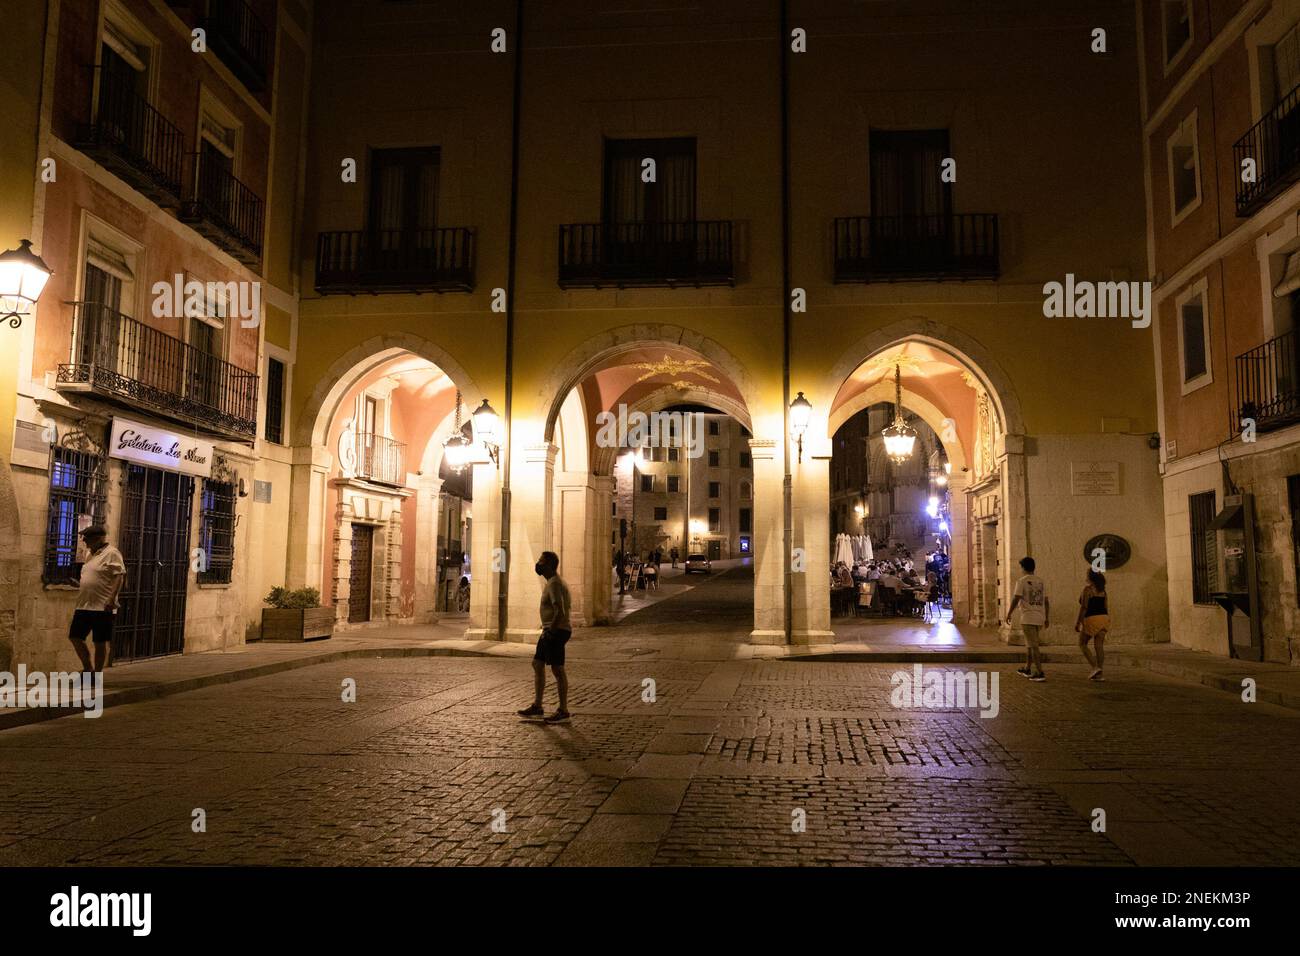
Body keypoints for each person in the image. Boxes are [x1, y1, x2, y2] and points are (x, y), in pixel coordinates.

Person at [518, 551, 572, 723]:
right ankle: (537, 706)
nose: (538, 564)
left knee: (557, 669)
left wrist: (551, 630)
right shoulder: (552, 582)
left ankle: (563, 710)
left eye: (541, 561)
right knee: (537, 664)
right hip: (551, 630)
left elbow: (559, 610)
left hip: (556, 630)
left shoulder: (555, 584)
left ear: (549, 565)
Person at [67, 525, 125, 675]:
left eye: (88, 538)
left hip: (102, 606)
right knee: (75, 637)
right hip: (84, 605)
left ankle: (96, 674)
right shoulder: (89, 554)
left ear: (99, 538)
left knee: (99, 641)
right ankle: (88, 668)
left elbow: (119, 575)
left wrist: (111, 598)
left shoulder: (112, 553)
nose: (84, 541)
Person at [1007, 556, 1048, 681]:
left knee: (1033, 645)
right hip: (1039, 616)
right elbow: (1046, 601)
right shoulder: (1040, 581)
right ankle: (1027, 668)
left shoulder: (1022, 581)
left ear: (1023, 568)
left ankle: (1040, 672)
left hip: (1028, 617)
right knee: (1029, 644)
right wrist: (1047, 617)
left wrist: (1009, 613)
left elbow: (1016, 598)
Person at [1075, 569, 1110, 681]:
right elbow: (1105, 607)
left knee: (1082, 643)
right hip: (1104, 618)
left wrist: (1078, 622)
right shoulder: (1103, 591)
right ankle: (1100, 674)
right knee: (1099, 646)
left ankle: (1095, 667)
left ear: (1091, 577)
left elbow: (1084, 607)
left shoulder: (1088, 590)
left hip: (1092, 618)